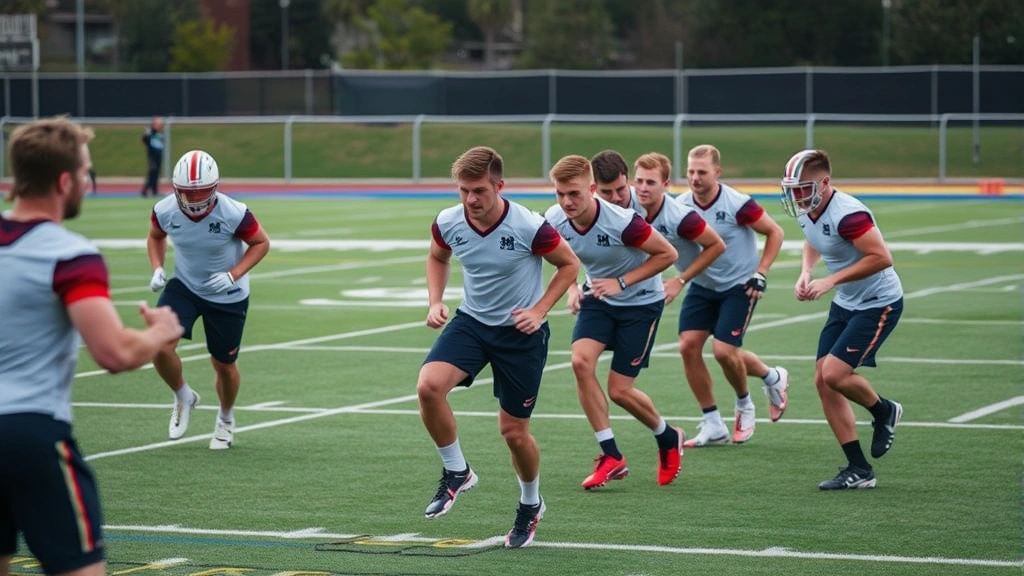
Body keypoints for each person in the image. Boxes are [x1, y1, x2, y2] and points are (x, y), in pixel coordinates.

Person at [0, 116, 183, 576]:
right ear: (64, 182)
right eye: (85, 173)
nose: (87, 181)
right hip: (30, 434)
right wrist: (160, 333)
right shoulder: (68, 254)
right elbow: (114, 353)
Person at [417, 146, 579, 548]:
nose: (470, 199)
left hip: (519, 336)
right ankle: (457, 471)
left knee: (513, 432)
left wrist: (540, 309)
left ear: (499, 186)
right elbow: (438, 257)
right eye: (463, 190)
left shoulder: (528, 225)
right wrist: (435, 300)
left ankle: (530, 504)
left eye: (479, 190)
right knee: (428, 387)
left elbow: (569, 264)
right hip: (472, 322)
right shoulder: (449, 221)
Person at [545, 154, 685, 490]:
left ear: (592, 190)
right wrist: (573, 290)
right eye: (560, 194)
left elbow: (668, 255)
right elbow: (563, 257)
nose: (567, 202)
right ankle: (611, 455)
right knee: (580, 363)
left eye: (574, 194)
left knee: (620, 391)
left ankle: (667, 438)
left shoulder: (622, 222)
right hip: (599, 299)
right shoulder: (554, 219)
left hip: (641, 303)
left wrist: (621, 282)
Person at [781, 149, 904, 490]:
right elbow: (813, 238)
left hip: (878, 302)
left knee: (834, 373)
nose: (796, 195)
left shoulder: (849, 215)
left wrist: (830, 281)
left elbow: (882, 257)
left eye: (803, 188)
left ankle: (884, 411)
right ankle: (858, 468)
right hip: (848, 301)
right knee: (822, 380)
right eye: (793, 188)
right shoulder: (810, 207)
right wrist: (807, 271)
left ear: (824, 182)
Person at [147, 149, 271, 450]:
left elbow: (261, 243)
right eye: (187, 192)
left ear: (214, 187)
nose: (193, 198)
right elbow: (155, 235)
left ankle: (226, 418)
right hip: (185, 286)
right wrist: (158, 267)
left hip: (227, 294)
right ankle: (183, 396)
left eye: (200, 190)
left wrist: (234, 274)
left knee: (223, 364)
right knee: (157, 344)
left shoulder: (233, 212)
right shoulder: (164, 209)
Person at [676, 144, 789, 447]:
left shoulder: (738, 204)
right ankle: (714, 422)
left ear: (717, 172)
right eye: (690, 171)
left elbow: (775, 232)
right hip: (703, 286)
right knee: (688, 347)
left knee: (725, 352)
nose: (695, 178)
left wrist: (761, 272)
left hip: (740, 285)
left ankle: (744, 405)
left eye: (702, 172)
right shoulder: (681, 205)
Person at [141, 116, 165, 197]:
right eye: (158, 123)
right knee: (152, 172)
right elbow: (144, 140)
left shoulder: (160, 133)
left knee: (156, 173)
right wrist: (148, 134)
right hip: (152, 156)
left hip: (159, 155)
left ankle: (155, 191)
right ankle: (145, 191)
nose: (160, 125)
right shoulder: (150, 132)